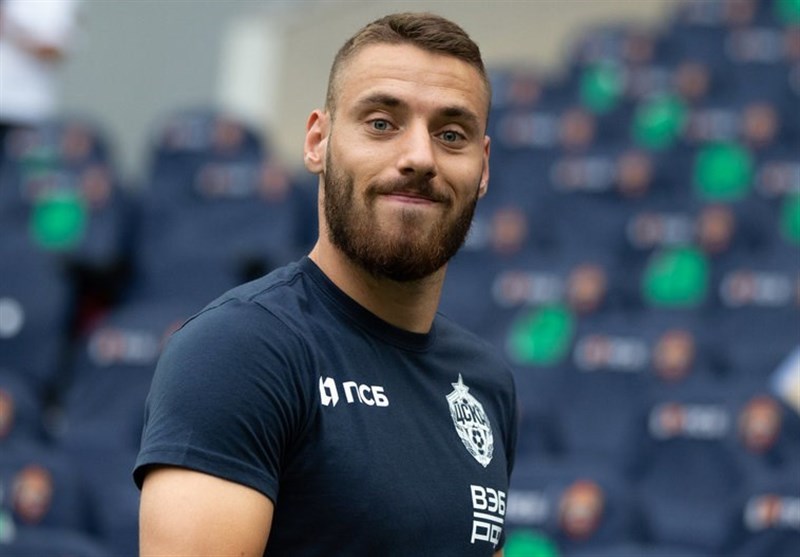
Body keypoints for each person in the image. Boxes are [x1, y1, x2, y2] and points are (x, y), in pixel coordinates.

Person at [134, 12, 518, 556]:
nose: (419, 157)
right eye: (381, 123)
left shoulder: (486, 382)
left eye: (451, 135)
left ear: (483, 168)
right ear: (318, 141)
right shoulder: (238, 352)